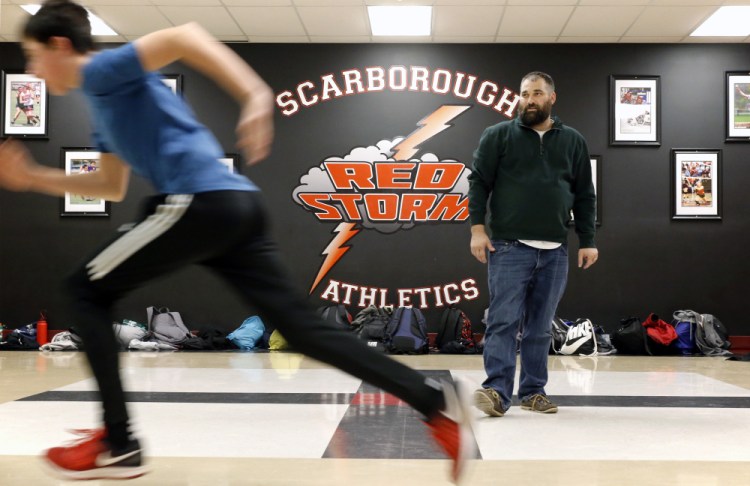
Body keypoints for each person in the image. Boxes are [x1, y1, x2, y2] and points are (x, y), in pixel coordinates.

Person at [0, 0, 474, 482]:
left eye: (33, 55)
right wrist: (34, 177)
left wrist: (254, 95)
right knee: (307, 332)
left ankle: (118, 443)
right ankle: (433, 402)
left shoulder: (102, 69)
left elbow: (182, 36)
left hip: (196, 202)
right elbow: (109, 185)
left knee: (84, 291)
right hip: (235, 208)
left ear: (60, 45)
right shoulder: (103, 105)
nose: (32, 68)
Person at [467, 71, 598, 418]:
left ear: (552, 98)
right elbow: (479, 183)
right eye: (525, 93)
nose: (529, 100)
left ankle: (533, 392)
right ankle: (496, 390)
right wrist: (477, 230)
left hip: (555, 248)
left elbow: (584, 193)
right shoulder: (498, 135)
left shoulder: (573, 141)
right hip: (509, 246)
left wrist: (588, 240)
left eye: (537, 93)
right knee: (503, 321)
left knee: (541, 326)